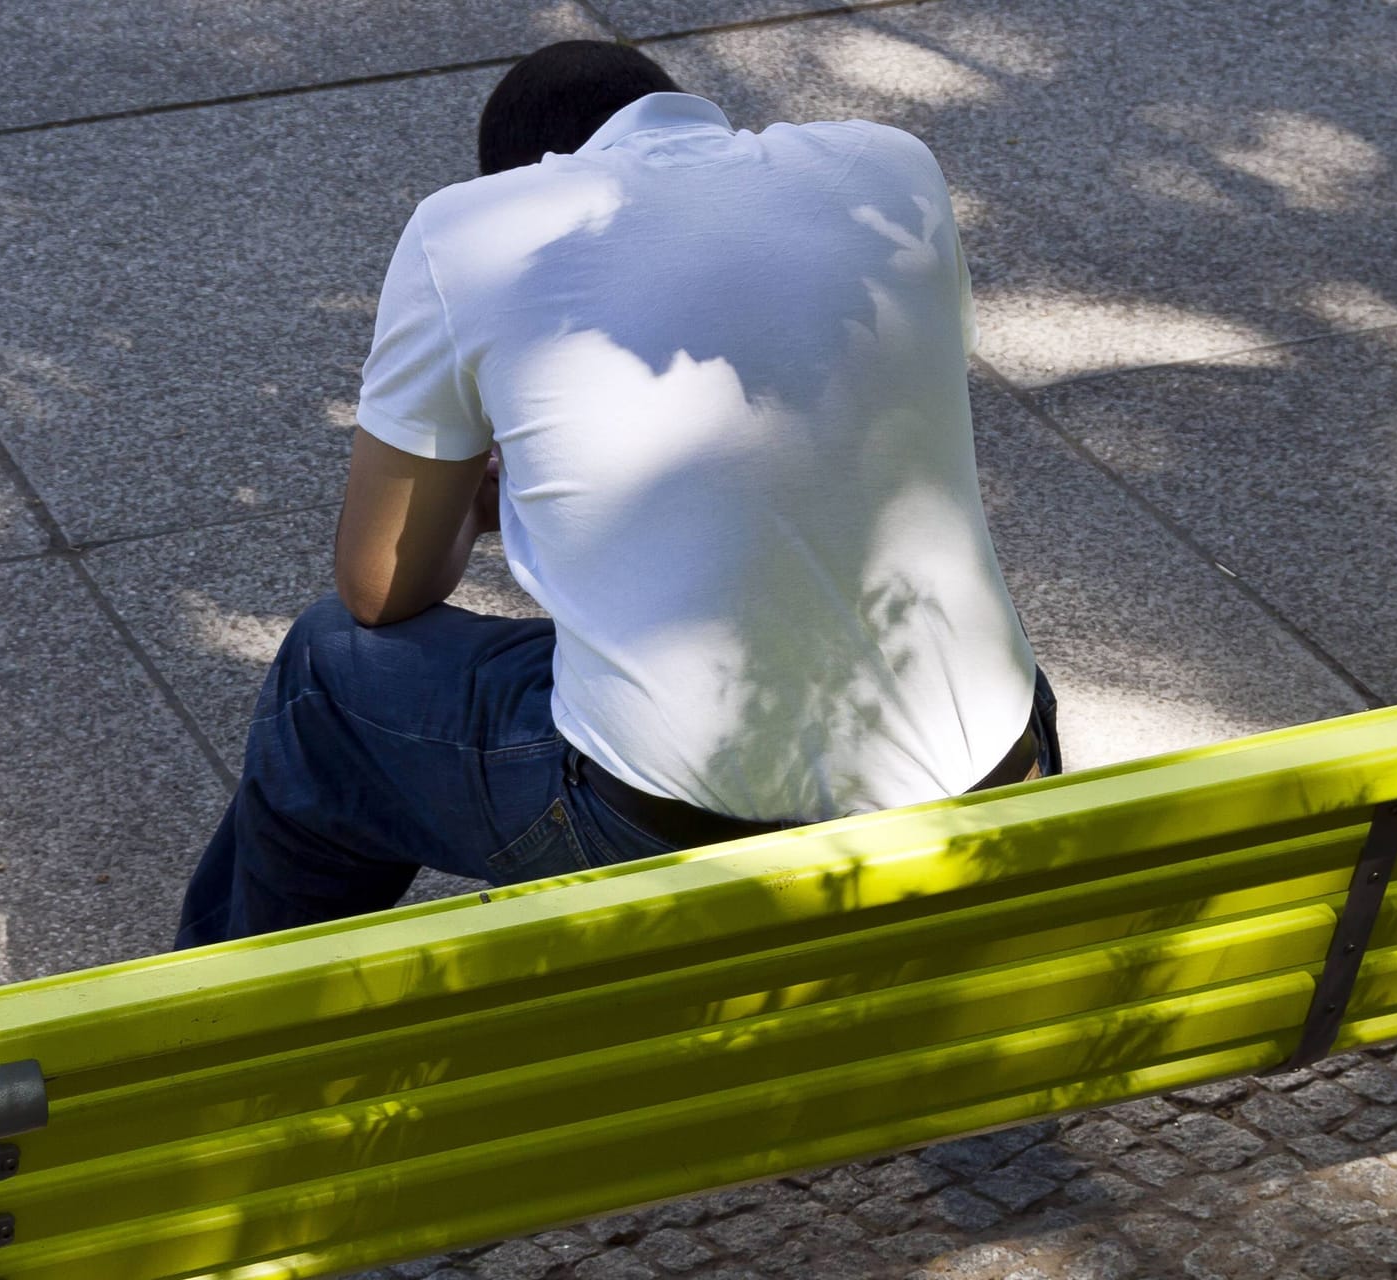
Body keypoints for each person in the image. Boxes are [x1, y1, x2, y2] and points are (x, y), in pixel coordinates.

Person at [174, 40, 1059, 950]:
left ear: (529, 176)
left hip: (667, 833)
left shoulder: (468, 231)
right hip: (999, 777)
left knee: (327, 679)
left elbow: (379, 585)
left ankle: (228, 1030)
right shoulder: (891, 162)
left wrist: (481, 503)